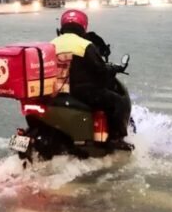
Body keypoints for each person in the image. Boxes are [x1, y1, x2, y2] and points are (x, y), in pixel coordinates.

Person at [51, 9, 132, 150]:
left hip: (57, 90)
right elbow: (100, 70)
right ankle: (116, 139)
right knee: (118, 102)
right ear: (83, 26)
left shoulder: (51, 44)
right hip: (82, 92)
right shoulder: (84, 45)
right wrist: (114, 69)